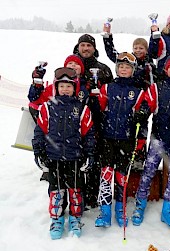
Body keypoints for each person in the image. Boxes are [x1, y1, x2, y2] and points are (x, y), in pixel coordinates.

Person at [32, 67, 95, 240]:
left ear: (74, 88)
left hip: (75, 157)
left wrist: (89, 154)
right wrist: (39, 152)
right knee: (56, 190)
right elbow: (40, 131)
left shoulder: (81, 108)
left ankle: (75, 218)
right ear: (56, 87)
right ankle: (57, 219)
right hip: (54, 157)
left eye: (69, 86)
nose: (65, 89)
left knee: (75, 190)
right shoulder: (47, 107)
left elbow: (88, 133)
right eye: (62, 86)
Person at [132, 55, 170, 227]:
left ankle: (167, 209)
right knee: (149, 171)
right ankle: (140, 205)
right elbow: (148, 104)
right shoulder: (157, 88)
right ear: (166, 70)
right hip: (158, 137)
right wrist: (143, 112)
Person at [94, 52, 149, 228]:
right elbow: (99, 112)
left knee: (121, 176)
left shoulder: (139, 92)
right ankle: (104, 211)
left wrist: (140, 139)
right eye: (121, 67)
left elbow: (144, 119)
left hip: (127, 139)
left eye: (127, 67)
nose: (124, 69)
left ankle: (120, 208)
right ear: (117, 69)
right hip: (108, 139)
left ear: (133, 70)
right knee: (106, 175)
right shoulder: (108, 88)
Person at [28, 55, 89, 182]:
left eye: (76, 64)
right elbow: (35, 99)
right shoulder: (55, 87)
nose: (73, 66)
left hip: (75, 146)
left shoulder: (86, 87)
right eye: (70, 63)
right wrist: (37, 82)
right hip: (55, 144)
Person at [73, 34, 114, 209]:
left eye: (89, 45)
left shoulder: (103, 69)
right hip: (74, 121)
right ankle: (76, 194)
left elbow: (111, 94)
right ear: (78, 47)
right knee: (75, 158)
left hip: (98, 121)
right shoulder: (72, 67)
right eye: (83, 45)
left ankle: (92, 194)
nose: (86, 48)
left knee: (94, 158)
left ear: (94, 48)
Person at [102, 22, 156, 89]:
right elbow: (112, 53)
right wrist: (107, 38)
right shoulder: (129, 60)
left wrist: (154, 34)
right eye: (135, 48)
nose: (138, 50)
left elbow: (154, 47)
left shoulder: (149, 63)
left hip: (145, 92)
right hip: (130, 92)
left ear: (146, 49)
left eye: (141, 48)